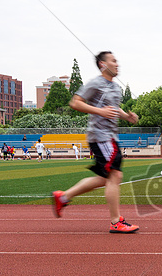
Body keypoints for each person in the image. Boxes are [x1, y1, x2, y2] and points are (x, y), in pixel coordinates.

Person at [52, 51, 140, 233]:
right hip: (100, 136)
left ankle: (63, 197)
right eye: (113, 61)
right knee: (115, 176)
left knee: (105, 178)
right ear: (102, 64)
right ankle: (116, 221)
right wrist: (99, 112)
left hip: (110, 137)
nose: (117, 64)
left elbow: (114, 109)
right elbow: (75, 103)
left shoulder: (115, 88)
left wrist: (126, 116)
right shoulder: (95, 83)